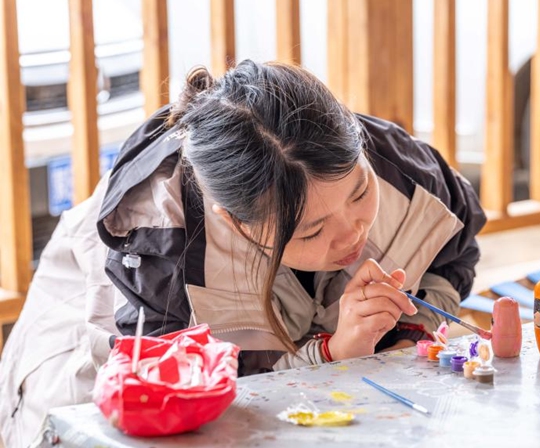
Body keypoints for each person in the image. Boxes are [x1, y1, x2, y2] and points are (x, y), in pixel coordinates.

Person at [0, 60, 486, 447]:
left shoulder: (389, 160)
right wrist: (335, 353)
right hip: (97, 357)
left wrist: (403, 332)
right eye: (312, 229)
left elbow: (454, 251)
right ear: (233, 222)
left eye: (359, 193)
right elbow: (198, 402)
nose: (351, 235)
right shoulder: (159, 250)